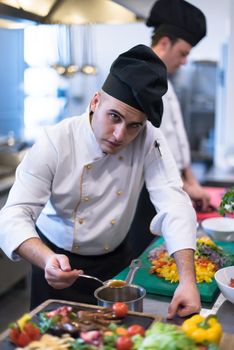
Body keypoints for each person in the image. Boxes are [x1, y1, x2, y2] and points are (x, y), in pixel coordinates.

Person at [0, 44, 200, 319]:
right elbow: (12, 214)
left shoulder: (148, 139)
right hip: (56, 264)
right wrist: (46, 259)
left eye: (134, 125)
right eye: (114, 117)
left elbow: (175, 203)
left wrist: (187, 281)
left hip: (116, 266)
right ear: (95, 102)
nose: (120, 135)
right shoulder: (56, 141)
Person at [146, 0, 211, 212]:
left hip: (174, 186)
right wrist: (185, 188)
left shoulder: (165, 79)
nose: (184, 62)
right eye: (183, 53)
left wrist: (191, 180)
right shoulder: (144, 81)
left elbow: (177, 139)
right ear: (164, 43)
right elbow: (152, 152)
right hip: (151, 195)